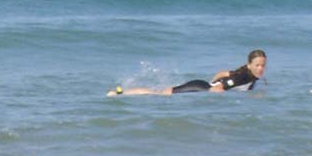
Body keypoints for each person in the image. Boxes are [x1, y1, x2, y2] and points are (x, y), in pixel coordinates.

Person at [109, 50, 267, 95]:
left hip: (203, 85)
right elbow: (220, 88)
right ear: (249, 65)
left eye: (263, 65)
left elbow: (222, 73)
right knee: (157, 93)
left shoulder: (250, 75)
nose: (261, 68)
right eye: (257, 65)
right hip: (199, 88)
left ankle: (121, 93)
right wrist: (214, 89)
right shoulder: (242, 76)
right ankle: (119, 94)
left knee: (160, 92)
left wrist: (212, 81)